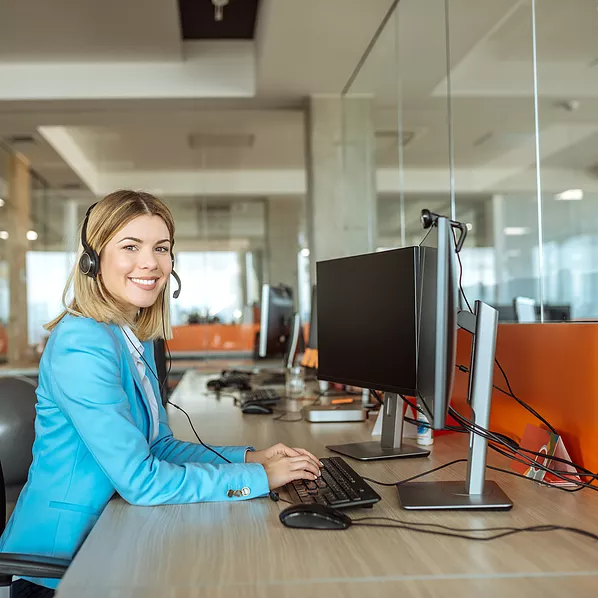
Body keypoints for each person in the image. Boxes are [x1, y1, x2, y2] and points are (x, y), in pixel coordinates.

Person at [0, 190, 321, 597]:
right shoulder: (81, 343)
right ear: (93, 260)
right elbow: (141, 481)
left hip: (114, 538)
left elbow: (158, 447)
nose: (150, 262)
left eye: (161, 248)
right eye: (130, 246)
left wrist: (250, 458)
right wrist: (257, 478)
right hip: (59, 565)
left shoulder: (131, 338)